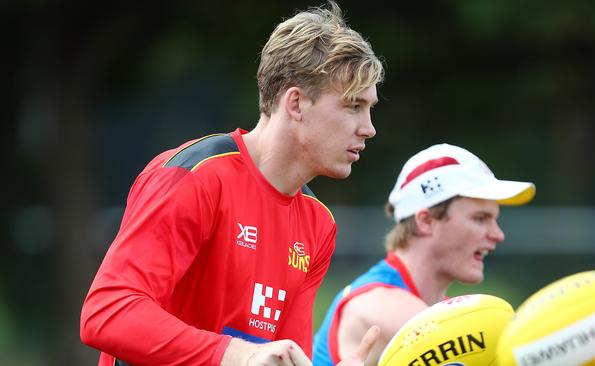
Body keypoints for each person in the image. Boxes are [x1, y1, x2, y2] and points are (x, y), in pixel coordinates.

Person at [79, 2, 384, 365]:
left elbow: (281, 359)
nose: (369, 128)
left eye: (369, 109)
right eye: (353, 106)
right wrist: (234, 354)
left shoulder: (319, 224)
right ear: (296, 104)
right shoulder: (196, 176)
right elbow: (106, 312)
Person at [313, 143, 536, 366]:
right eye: (480, 218)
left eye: (494, 220)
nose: (498, 235)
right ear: (426, 221)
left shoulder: (438, 313)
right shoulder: (378, 304)